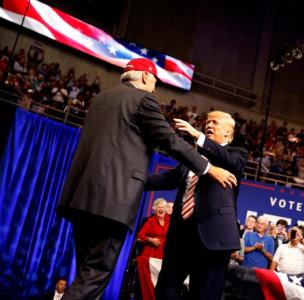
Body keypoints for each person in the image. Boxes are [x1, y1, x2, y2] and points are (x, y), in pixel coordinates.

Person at [57, 58, 237, 299]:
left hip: (81, 198)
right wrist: (208, 169)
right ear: (144, 77)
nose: (154, 89)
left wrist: (140, 181)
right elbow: (170, 141)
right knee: (95, 273)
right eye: (154, 83)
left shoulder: (101, 99)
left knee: (86, 273)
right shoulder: (143, 98)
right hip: (111, 204)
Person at [146, 111, 247, 300]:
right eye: (207, 121)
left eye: (214, 122)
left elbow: (230, 160)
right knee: (165, 291)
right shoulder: (193, 157)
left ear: (228, 133)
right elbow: (167, 178)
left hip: (213, 241)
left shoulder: (237, 154)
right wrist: (133, 181)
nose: (208, 124)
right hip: (180, 236)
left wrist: (197, 135)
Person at [136, 198, 170, 300]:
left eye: (163, 207)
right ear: (155, 210)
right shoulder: (150, 222)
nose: (161, 209)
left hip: (163, 255)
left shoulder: (170, 222)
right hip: (150, 255)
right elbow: (139, 235)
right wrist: (150, 240)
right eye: (158, 207)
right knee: (149, 283)